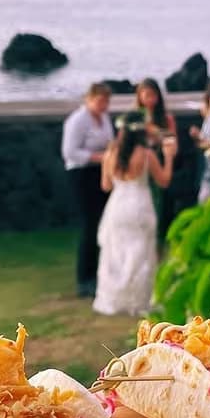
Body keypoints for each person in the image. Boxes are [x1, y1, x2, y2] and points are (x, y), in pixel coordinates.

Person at [93, 112, 175, 317]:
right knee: (140, 253)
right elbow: (164, 180)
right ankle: (139, 300)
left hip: (117, 206)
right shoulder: (146, 154)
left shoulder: (111, 153)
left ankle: (114, 298)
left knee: (116, 252)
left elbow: (105, 185)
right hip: (140, 206)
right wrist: (169, 157)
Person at [62, 82, 114, 297]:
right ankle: (84, 278)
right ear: (89, 99)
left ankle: (99, 274)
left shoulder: (105, 119)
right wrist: (98, 157)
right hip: (81, 174)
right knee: (89, 225)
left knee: (102, 224)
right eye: (99, 101)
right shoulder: (78, 120)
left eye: (106, 101)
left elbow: (109, 142)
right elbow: (70, 152)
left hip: (100, 174)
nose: (103, 105)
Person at [135, 78, 178, 243]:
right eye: (146, 95)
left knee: (160, 201)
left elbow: (173, 143)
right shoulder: (135, 118)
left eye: (153, 95)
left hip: (159, 160)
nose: (150, 100)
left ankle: (159, 237)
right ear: (139, 97)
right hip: (138, 163)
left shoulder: (166, 118)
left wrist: (157, 132)